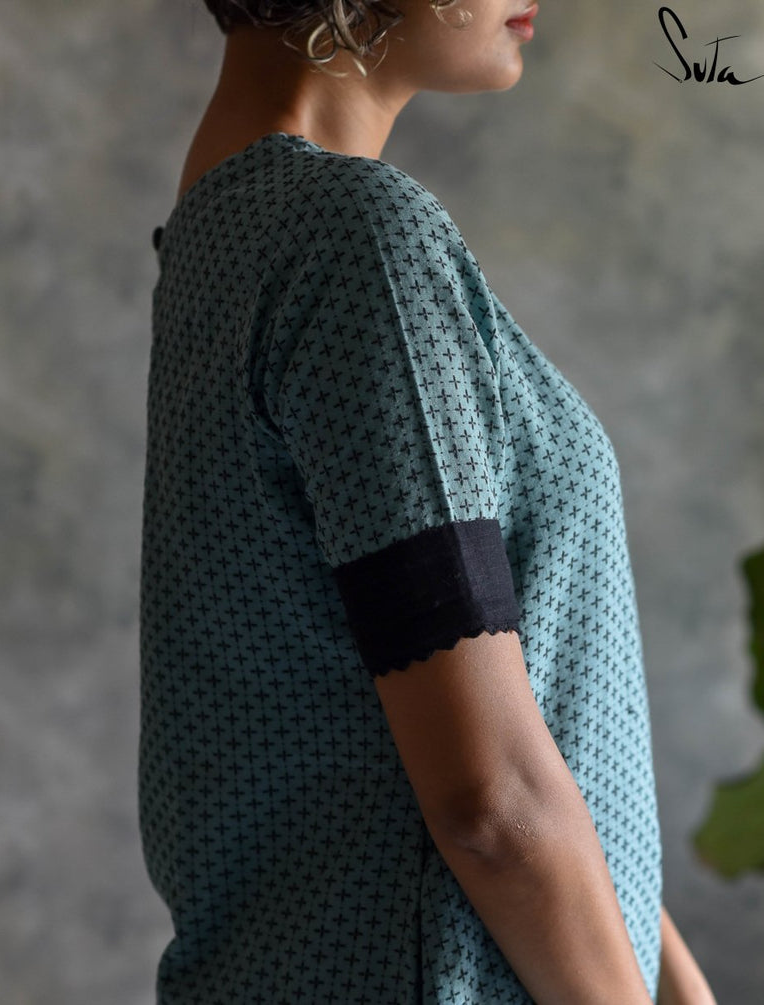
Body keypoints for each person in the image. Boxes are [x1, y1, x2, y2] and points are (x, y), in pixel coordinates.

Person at [138, 1, 718, 1002]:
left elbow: (527, 719)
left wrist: (672, 981)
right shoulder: (349, 235)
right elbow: (489, 800)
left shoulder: (225, 229)